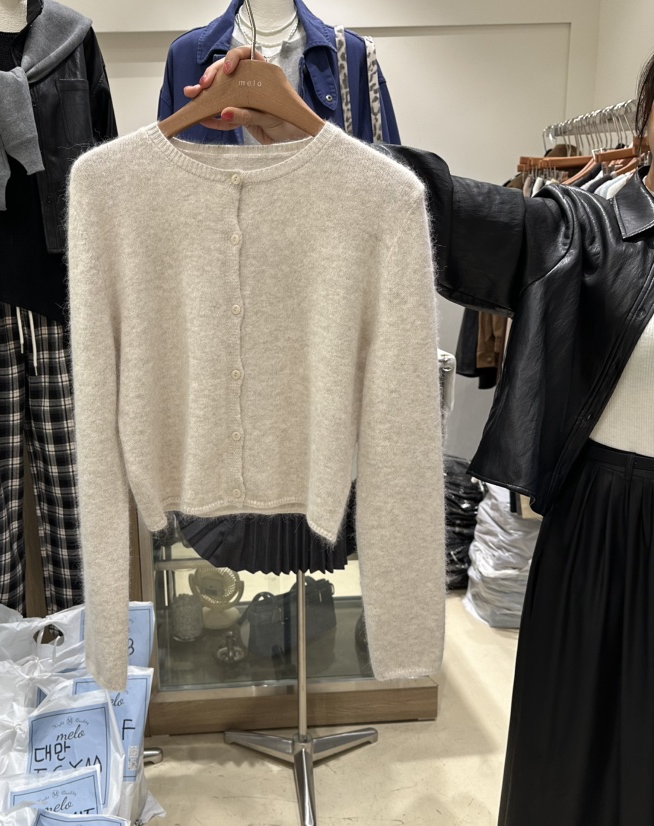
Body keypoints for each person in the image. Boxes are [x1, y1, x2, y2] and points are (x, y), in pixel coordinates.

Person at [181, 45, 654, 826]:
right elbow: (443, 207)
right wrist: (311, 138)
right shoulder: (589, 230)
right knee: (573, 762)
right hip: (600, 537)